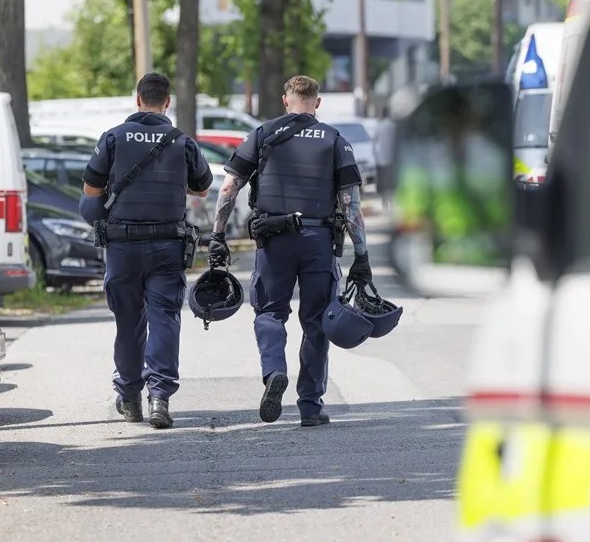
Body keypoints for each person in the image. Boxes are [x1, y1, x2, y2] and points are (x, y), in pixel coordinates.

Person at [207, 75, 372, 427]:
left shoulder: (263, 134)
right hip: (318, 241)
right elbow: (351, 204)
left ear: (285, 100)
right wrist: (362, 255)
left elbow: (228, 188)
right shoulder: (335, 140)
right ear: (318, 102)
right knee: (316, 323)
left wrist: (218, 235)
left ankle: (274, 372)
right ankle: (311, 406)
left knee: (269, 313)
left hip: (273, 239)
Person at [81, 72, 213, 429]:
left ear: (137, 99)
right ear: (166, 102)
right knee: (165, 320)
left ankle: (129, 397)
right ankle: (160, 398)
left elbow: (91, 193)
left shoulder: (113, 138)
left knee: (128, 323)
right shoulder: (181, 141)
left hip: (123, 247)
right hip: (167, 247)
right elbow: (202, 189)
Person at [374, 105, 396, 210]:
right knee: (391, 183)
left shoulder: (379, 125)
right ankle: (392, 204)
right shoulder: (393, 125)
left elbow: (375, 142)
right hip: (392, 158)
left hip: (381, 159)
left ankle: (385, 205)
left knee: (383, 184)